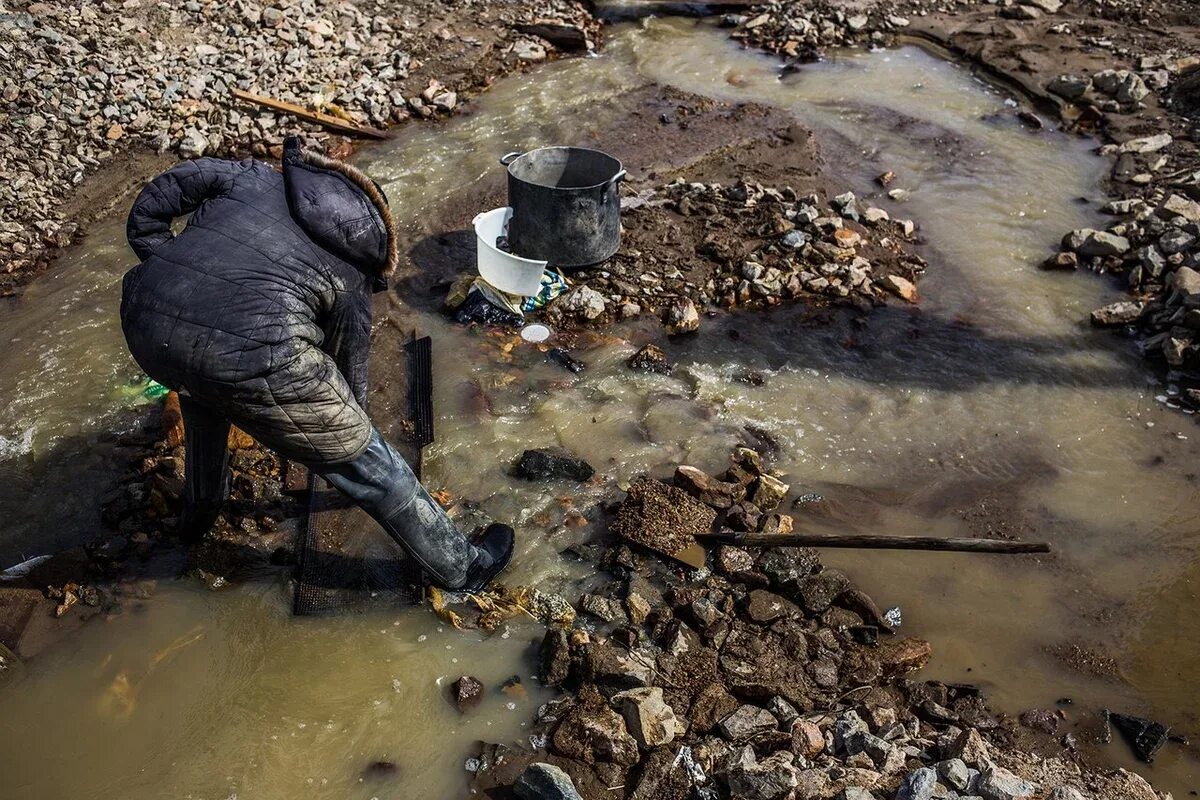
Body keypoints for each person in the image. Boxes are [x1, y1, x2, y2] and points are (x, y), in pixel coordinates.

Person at [120, 136, 513, 593]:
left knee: (203, 393)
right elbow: (349, 372)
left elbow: (158, 199)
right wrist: (351, 432)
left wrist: (168, 265)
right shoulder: (350, 270)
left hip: (147, 322)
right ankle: (464, 570)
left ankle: (198, 517)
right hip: (256, 353)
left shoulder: (253, 177)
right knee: (369, 463)